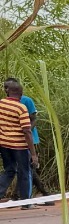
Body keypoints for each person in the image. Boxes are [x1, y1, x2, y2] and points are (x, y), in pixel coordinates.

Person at [0, 77, 36, 205]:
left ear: (8, 92)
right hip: (19, 146)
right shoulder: (21, 108)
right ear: (20, 94)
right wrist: (33, 154)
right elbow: (27, 131)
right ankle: (26, 203)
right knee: (24, 172)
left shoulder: (1, 104)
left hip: (4, 144)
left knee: (9, 170)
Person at [5, 78, 44, 196]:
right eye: (5, 87)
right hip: (14, 141)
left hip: (28, 138)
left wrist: (25, 131)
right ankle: (37, 192)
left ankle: (32, 193)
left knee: (27, 168)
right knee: (25, 168)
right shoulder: (6, 103)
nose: (6, 89)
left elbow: (34, 119)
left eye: (8, 87)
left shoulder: (26, 101)